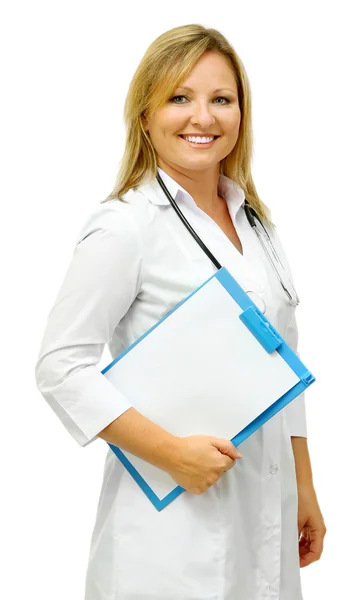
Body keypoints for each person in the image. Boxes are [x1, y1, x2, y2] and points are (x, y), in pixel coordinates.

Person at [34, 23, 326, 600]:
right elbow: (59, 367)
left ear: (241, 113)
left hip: (266, 506)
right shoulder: (126, 224)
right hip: (168, 525)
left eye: (221, 99)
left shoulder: (257, 225)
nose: (203, 117)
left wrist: (305, 485)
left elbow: (281, 362)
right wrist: (172, 455)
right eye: (179, 98)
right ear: (145, 115)